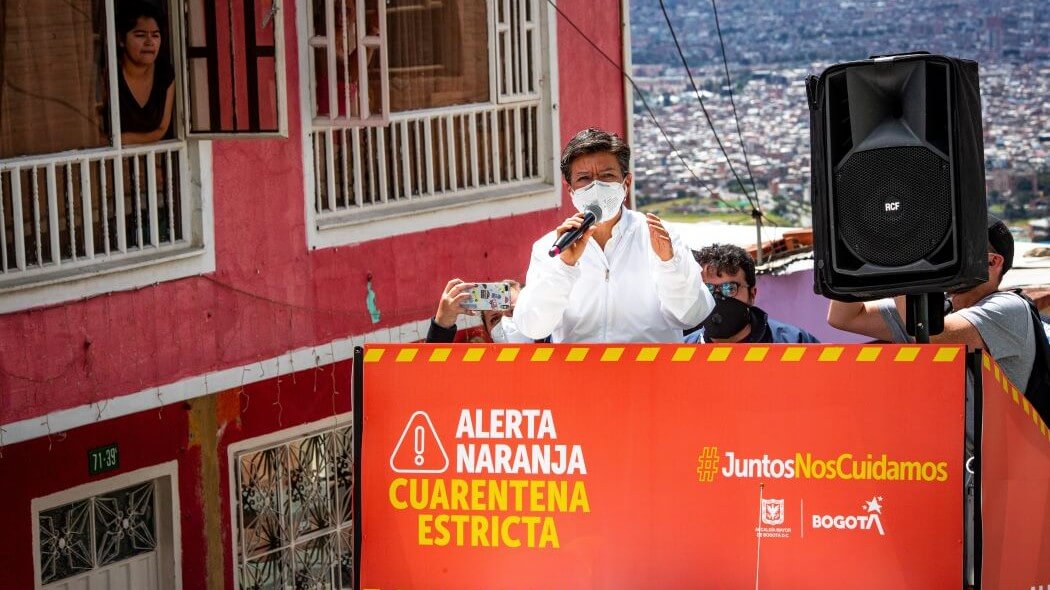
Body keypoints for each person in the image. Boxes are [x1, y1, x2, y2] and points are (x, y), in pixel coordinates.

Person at [513, 128, 713, 343]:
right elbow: (533, 328)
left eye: (607, 176)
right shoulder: (551, 247)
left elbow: (692, 315)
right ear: (570, 189)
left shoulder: (659, 235)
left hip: (651, 373)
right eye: (584, 178)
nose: (595, 186)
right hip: (580, 374)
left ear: (626, 183)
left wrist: (669, 265)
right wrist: (564, 268)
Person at [827, 216, 1034, 391]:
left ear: (992, 262)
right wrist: (862, 252)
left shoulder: (1010, 309)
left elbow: (933, 338)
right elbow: (844, 317)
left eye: (956, 251)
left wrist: (901, 255)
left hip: (984, 440)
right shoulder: (941, 308)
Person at [685, 244, 819, 344]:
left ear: (752, 294)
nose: (717, 297)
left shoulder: (795, 343)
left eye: (730, 288)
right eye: (708, 289)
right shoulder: (682, 351)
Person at [117, 2, 175, 144]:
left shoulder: (165, 73)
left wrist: (123, 140)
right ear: (121, 40)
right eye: (140, 35)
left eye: (155, 35)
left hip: (155, 161)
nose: (149, 42)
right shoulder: (109, 75)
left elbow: (161, 129)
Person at [426, 279, 532, 343]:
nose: (505, 322)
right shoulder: (484, 372)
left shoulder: (549, 338)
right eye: (495, 318)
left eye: (512, 311)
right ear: (488, 333)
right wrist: (442, 323)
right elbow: (430, 374)